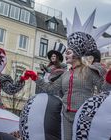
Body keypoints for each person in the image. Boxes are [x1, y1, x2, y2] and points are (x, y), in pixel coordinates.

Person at [23, 8, 111, 140]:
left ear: (77, 54)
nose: (65, 55)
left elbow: (104, 89)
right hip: (65, 114)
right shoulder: (65, 74)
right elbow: (51, 89)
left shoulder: (90, 71)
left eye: (68, 52)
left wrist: (109, 79)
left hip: (83, 115)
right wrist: (35, 78)